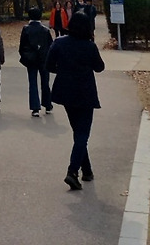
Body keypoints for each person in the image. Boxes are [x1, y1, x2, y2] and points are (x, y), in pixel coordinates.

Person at [45, 10, 105, 190]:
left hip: (65, 91)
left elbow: (49, 65)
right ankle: (72, 171)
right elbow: (99, 67)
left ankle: (87, 170)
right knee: (82, 134)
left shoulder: (59, 43)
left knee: (78, 132)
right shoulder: (89, 46)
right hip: (85, 92)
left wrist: (64, 70)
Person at [18, 6, 54, 116]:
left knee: (32, 83)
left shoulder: (26, 29)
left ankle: (35, 108)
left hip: (31, 59)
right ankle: (47, 105)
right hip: (43, 59)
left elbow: (22, 46)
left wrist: (24, 56)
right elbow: (50, 46)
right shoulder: (45, 30)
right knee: (45, 82)